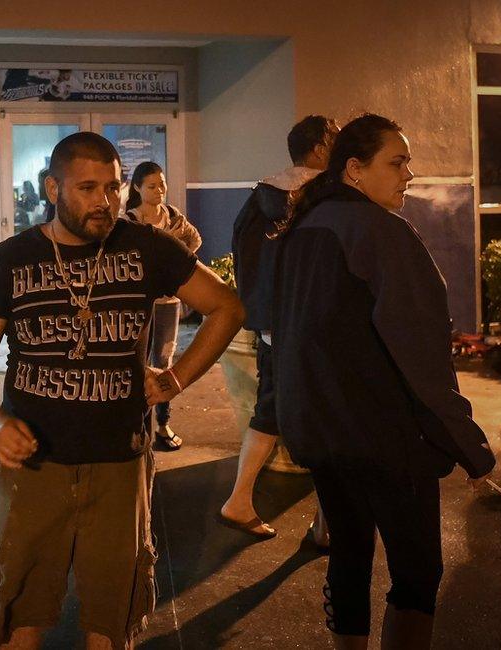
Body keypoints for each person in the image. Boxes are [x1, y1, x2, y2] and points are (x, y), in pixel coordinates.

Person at [0, 132, 244, 649]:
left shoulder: (146, 247)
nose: (104, 202)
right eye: (87, 188)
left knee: (112, 619)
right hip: (34, 467)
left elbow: (227, 306)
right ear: (52, 188)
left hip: (120, 461)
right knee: (19, 615)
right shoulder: (10, 260)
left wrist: (176, 378)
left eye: (112, 188)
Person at [272, 113, 496, 649]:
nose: (408, 175)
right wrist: (471, 449)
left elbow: (279, 330)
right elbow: (422, 359)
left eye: (409, 164)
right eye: (397, 163)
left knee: (349, 555)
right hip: (388, 439)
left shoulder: (302, 228)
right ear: (354, 169)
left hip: (322, 433)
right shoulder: (381, 233)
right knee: (416, 573)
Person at [221, 115, 339, 541]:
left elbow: (244, 259)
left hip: (274, 328)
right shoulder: (327, 195)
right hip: (317, 330)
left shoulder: (260, 197)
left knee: (268, 411)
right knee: (330, 419)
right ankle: (327, 525)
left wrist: (263, 317)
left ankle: (239, 500)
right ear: (322, 147)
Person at [124, 161, 202, 451]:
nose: (160, 191)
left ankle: (162, 425)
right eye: (152, 186)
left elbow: (194, 240)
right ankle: (138, 424)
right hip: (140, 304)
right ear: (137, 188)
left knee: (164, 362)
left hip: (168, 303)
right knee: (138, 362)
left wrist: (175, 269)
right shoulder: (131, 221)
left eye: (162, 185)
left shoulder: (173, 218)